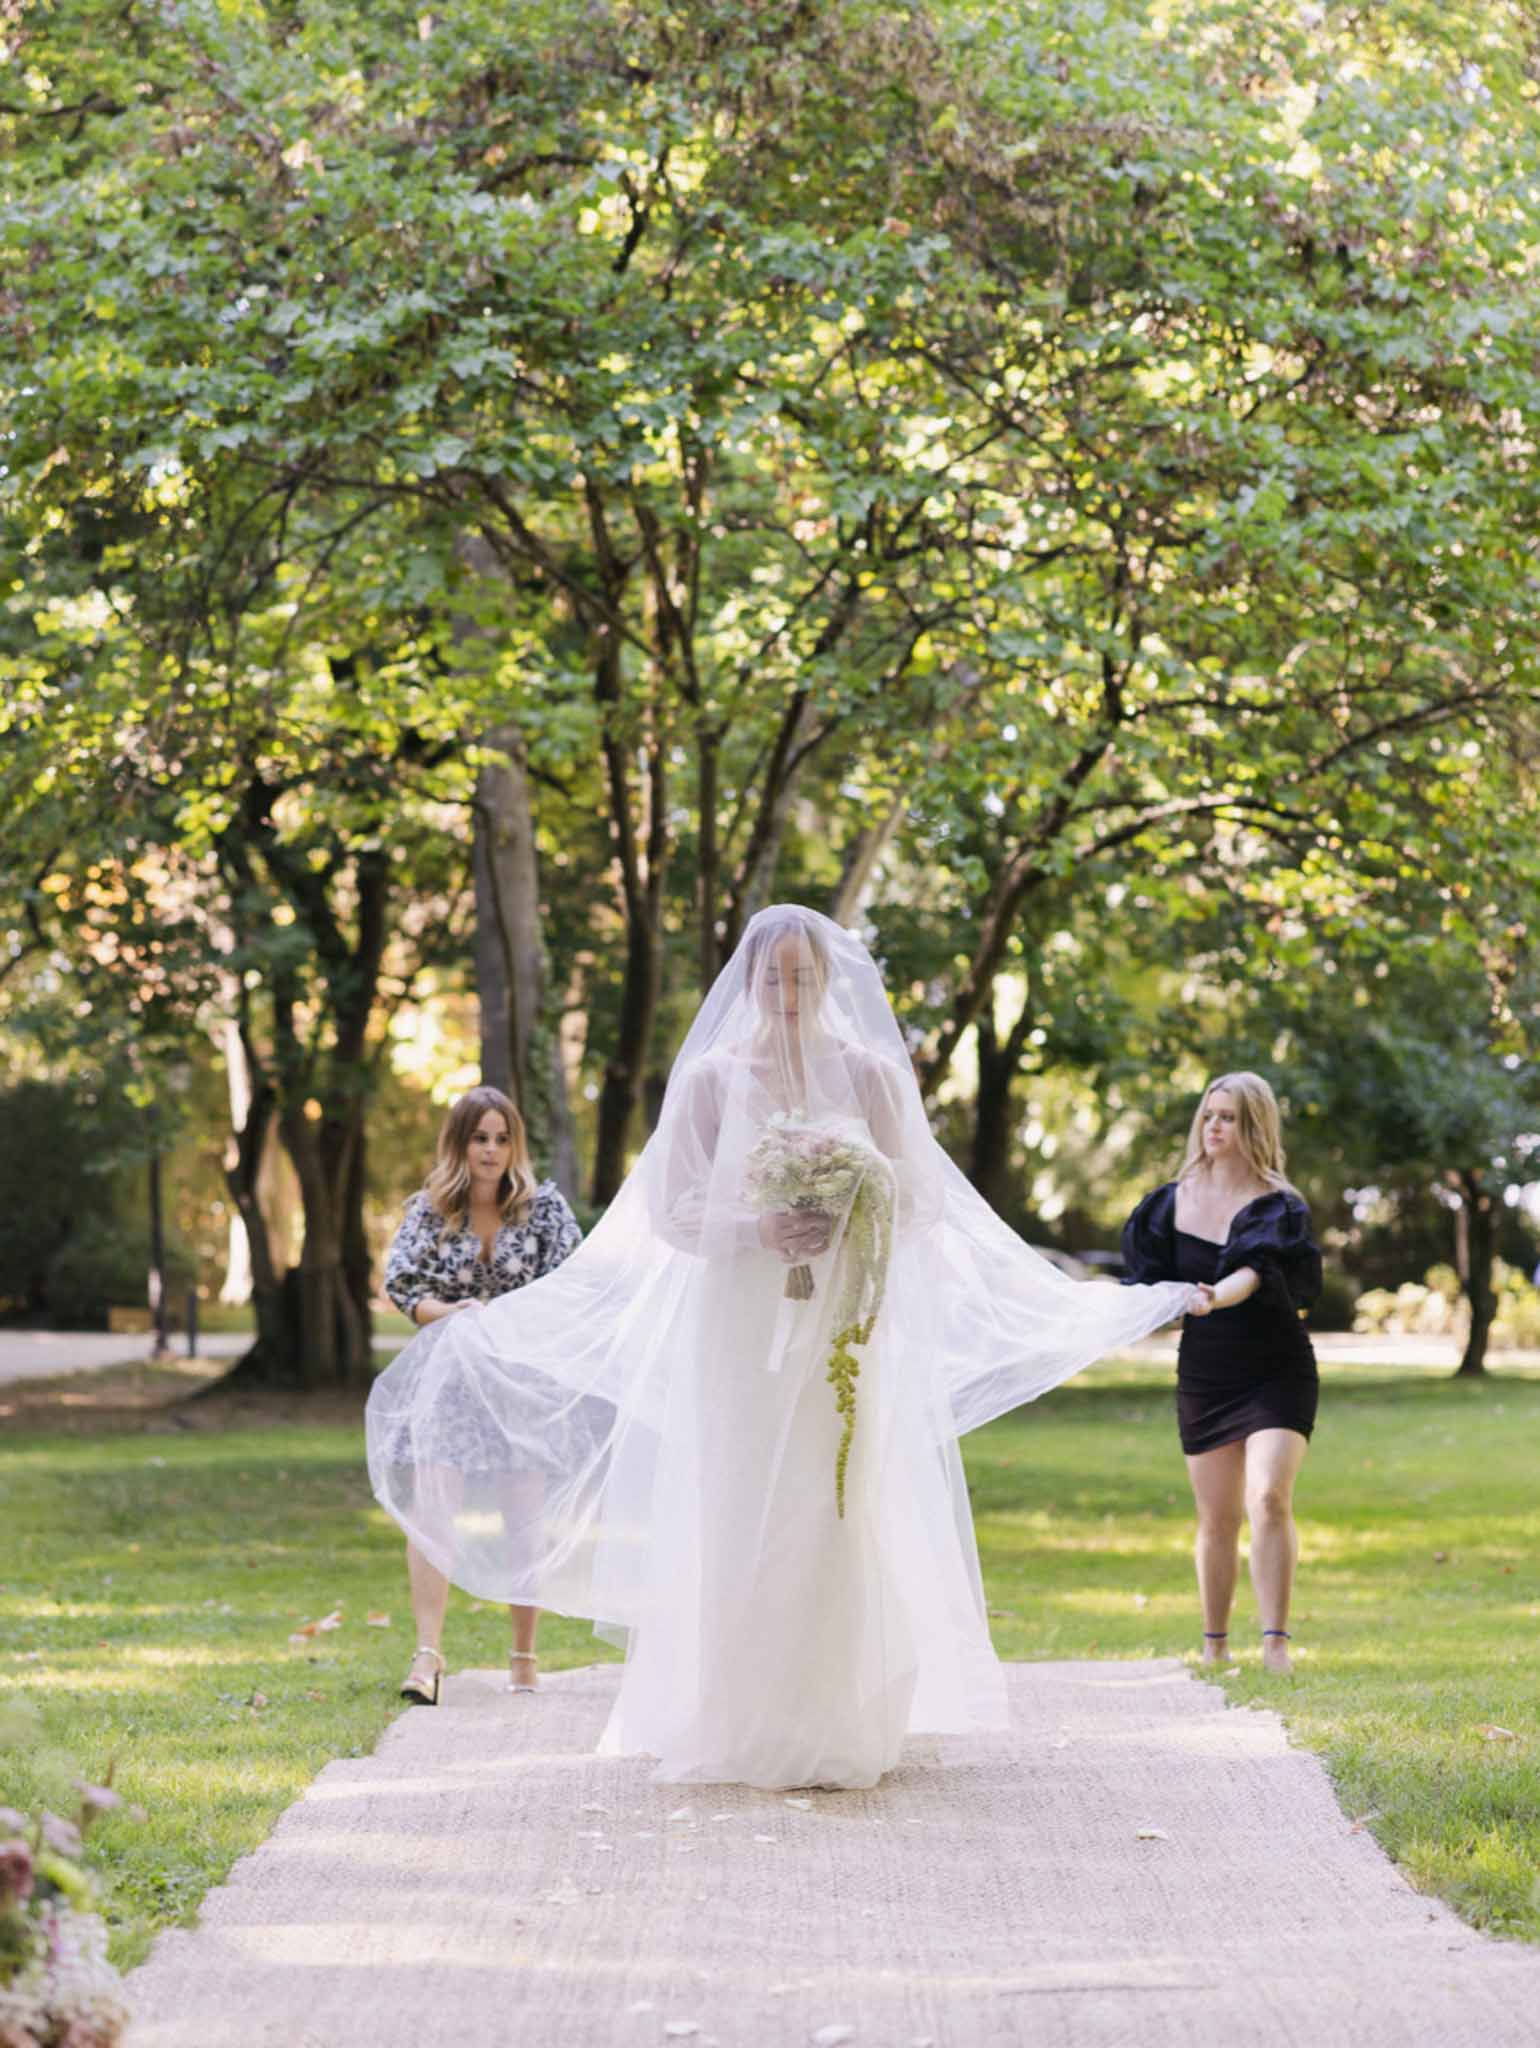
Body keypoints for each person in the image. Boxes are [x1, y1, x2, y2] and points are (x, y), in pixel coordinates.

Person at [367, 907, 1197, 1788]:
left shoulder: (873, 1076)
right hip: (738, 1326)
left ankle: (836, 1721)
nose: (788, 994)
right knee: (739, 1505)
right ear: (749, 983)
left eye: (803, 977)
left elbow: (919, 1200)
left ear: (827, 981)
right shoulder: (713, 1082)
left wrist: (849, 1213)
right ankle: (740, 1719)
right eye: (773, 978)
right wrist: (760, 1228)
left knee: (832, 1503)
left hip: (842, 1324)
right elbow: (673, 1211)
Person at [380, 1085, 582, 1705]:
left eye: (501, 1138)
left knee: (524, 1520)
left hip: (521, 1383)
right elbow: (403, 1287)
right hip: (450, 1382)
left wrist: (518, 1325)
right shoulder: (430, 1209)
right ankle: (427, 1656)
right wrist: (454, 1313)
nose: (491, 1151)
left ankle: (524, 1655)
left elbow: (573, 1283)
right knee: (433, 1510)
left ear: (514, 1144)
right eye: (479, 1138)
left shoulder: (544, 1209)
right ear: (459, 1143)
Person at [1121, 1072, 1322, 1676]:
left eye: (1229, 1117)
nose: (1214, 1127)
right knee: (1217, 1517)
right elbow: (1146, 1288)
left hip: (1276, 1369)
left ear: (1253, 1125)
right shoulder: (1166, 1203)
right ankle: (1214, 1646)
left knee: (1268, 1497)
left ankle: (1276, 1644)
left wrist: (1212, 1295)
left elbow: (1255, 1272)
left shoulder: (1279, 1206)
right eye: (1209, 1115)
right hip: (1206, 1374)